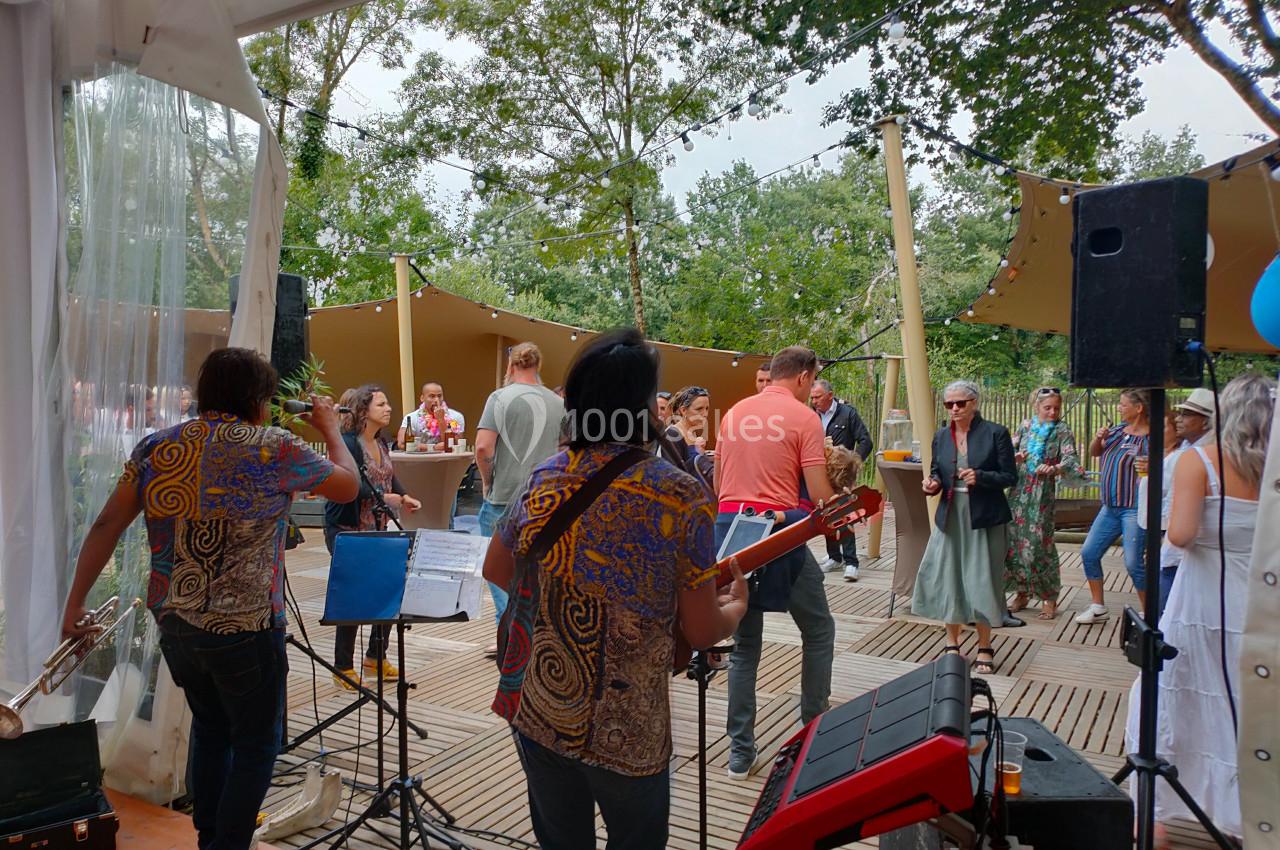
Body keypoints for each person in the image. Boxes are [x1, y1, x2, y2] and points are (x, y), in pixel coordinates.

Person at [61, 348, 359, 850]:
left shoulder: (156, 446)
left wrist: (73, 603)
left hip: (177, 623)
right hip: (246, 626)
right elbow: (348, 488)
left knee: (213, 728)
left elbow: (107, 524)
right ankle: (228, 844)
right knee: (256, 741)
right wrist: (331, 428)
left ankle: (209, 839)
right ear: (258, 399)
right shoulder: (274, 446)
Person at [482, 328, 747, 850]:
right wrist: (734, 609)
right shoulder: (679, 495)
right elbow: (699, 628)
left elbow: (497, 569)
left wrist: (568, 602)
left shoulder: (546, 476)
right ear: (647, 406)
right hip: (628, 722)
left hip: (539, 701)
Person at [1123, 374, 1273, 845]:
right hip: (1262, 597)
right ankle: (1248, 817)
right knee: (1250, 706)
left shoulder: (1198, 461)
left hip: (1205, 596)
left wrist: (1169, 524)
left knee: (1175, 695)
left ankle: (1156, 819)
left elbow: (1182, 535)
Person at [716, 346, 837, 780]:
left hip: (731, 531)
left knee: (745, 645)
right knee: (819, 629)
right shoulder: (805, 418)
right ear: (805, 377)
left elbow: (719, 484)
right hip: (778, 531)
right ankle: (813, 734)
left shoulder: (732, 414)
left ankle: (739, 754)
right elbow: (821, 495)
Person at [913, 380, 1016, 674]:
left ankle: (985, 646)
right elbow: (936, 472)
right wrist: (931, 484)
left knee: (983, 580)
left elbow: (1010, 477)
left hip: (984, 516)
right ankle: (952, 644)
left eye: (961, 403)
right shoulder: (941, 436)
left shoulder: (996, 433)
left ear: (975, 403)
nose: (955, 409)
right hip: (950, 516)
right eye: (949, 404)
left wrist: (981, 477)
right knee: (948, 578)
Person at [324, 384, 422, 689]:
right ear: (363, 410)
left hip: (375, 529)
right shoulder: (349, 444)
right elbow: (349, 485)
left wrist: (404, 496)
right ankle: (342, 668)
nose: (388, 408)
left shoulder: (380, 443)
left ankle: (375, 658)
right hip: (347, 529)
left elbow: (389, 475)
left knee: (388, 589)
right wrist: (386, 497)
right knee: (354, 595)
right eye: (381, 404)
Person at [475, 342, 565, 635]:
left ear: (510, 366)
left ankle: (510, 633)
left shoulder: (499, 398)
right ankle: (537, 631)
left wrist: (488, 480)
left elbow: (483, 447)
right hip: (548, 500)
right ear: (539, 366)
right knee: (541, 570)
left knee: (498, 569)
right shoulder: (558, 403)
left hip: (505, 497)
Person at [1004, 387, 1084, 620]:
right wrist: (1015, 457)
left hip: (1042, 495)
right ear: (1036, 407)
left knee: (1041, 543)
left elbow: (1071, 459)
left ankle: (1049, 597)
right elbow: (1009, 450)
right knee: (1015, 542)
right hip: (1019, 491)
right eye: (1047, 407)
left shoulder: (1062, 430)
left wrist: (1055, 468)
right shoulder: (1025, 426)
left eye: (1056, 408)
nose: (1052, 412)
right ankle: (1022, 593)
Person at [1075, 388, 1151, 624]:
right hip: (1109, 508)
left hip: (1133, 509)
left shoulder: (1151, 438)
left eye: (1123, 404)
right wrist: (1098, 438)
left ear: (1138, 408)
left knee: (1133, 562)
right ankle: (1098, 607)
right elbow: (1094, 452)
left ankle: (1151, 614)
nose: (1119, 408)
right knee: (1088, 553)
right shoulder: (1117, 430)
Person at [809, 378, 873, 581]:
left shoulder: (848, 413)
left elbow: (866, 441)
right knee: (825, 513)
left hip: (841, 475)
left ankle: (851, 562)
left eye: (817, 397)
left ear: (830, 395)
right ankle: (834, 557)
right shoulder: (810, 416)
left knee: (844, 514)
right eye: (812, 397)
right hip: (819, 473)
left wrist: (853, 463)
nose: (814, 401)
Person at [662, 386, 715, 493]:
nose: (705, 414)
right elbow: (672, 474)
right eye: (699, 409)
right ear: (683, 410)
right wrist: (699, 454)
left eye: (707, 408)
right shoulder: (673, 433)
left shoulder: (692, 433)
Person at [396, 381, 464, 450]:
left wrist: (441, 420)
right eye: (432, 396)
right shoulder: (411, 417)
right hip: (420, 460)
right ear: (422, 398)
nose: (436, 400)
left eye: (439, 396)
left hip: (447, 460)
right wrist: (432, 448)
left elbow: (456, 444)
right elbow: (402, 443)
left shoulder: (456, 416)